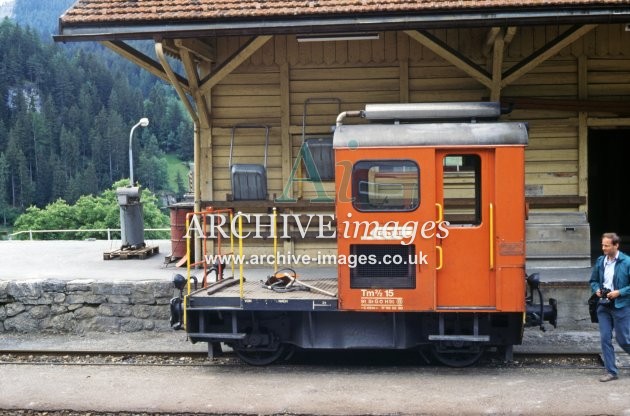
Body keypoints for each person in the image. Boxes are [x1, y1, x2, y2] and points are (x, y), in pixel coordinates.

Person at [589, 232, 630, 382]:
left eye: (607, 245)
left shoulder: (627, 262)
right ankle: (611, 372)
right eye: (602, 245)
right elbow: (593, 281)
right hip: (603, 305)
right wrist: (597, 290)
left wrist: (619, 292)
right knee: (605, 338)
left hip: (621, 305)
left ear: (616, 245)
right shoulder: (600, 261)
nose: (603, 248)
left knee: (624, 340)